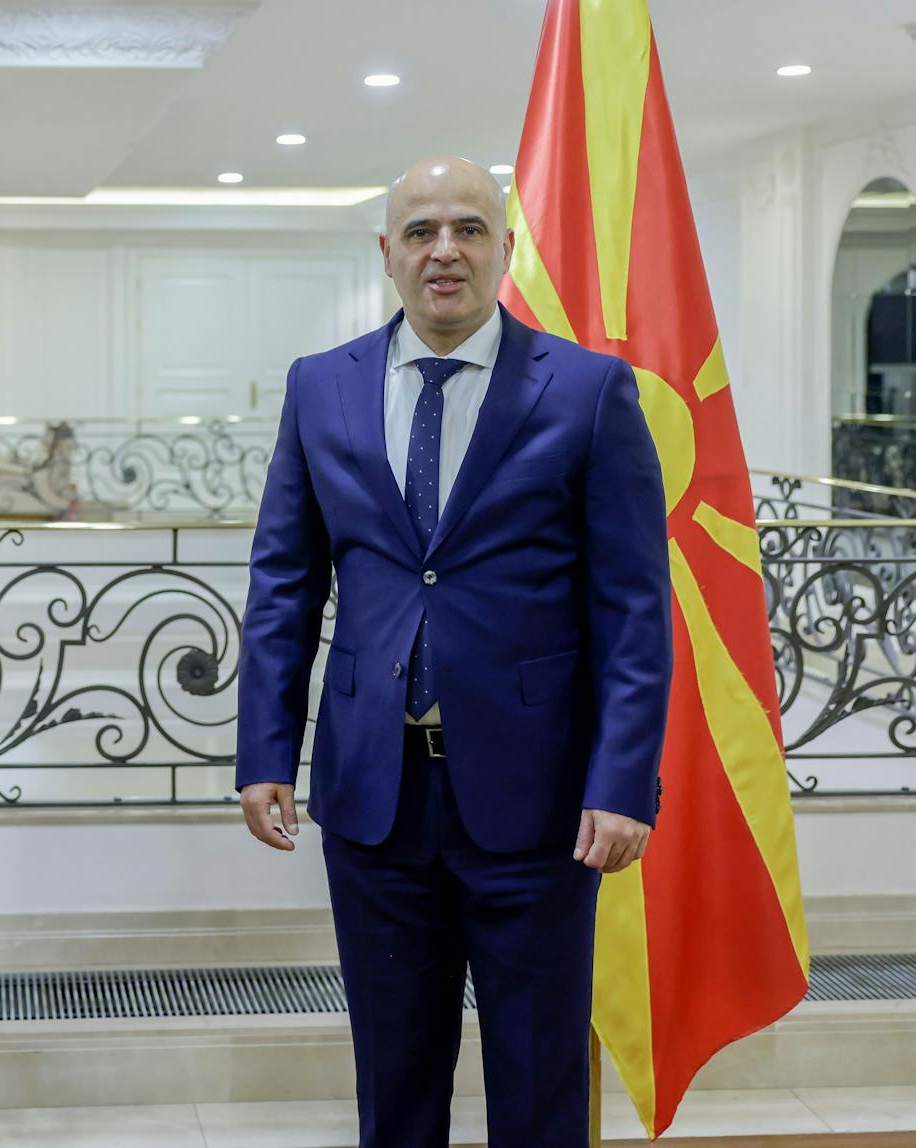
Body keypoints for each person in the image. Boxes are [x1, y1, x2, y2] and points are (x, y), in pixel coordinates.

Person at [236, 156, 672, 1147]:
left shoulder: (589, 391)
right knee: (393, 1086)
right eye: (421, 230)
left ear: (504, 250)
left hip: (538, 802)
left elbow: (634, 610)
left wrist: (622, 779)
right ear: (385, 254)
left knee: (536, 1085)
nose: (445, 249)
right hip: (371, 798)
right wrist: (264, 749)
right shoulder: (319, 388)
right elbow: (283, 585)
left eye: (469, 229)